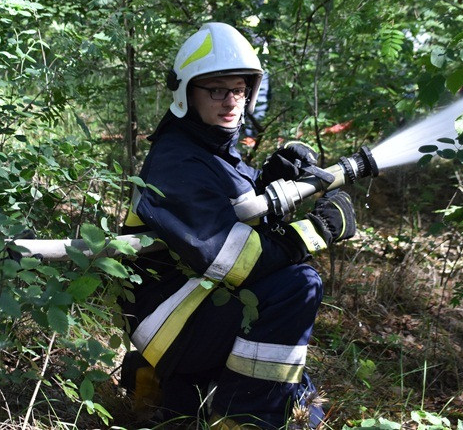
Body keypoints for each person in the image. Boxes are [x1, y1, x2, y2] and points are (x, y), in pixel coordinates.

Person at [120, 22, 357, 429]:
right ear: (185, 93)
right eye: (216, 90)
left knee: (303, 403)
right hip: (165, 319)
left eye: (239, 89)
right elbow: (235, 260)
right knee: (298, 286)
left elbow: (231, 216)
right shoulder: (177, 161)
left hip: (191, 304)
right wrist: (318, 230)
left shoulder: (211, 148)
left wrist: (269, 180)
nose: (231, 101)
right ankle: (239, 419)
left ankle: (171, 390)